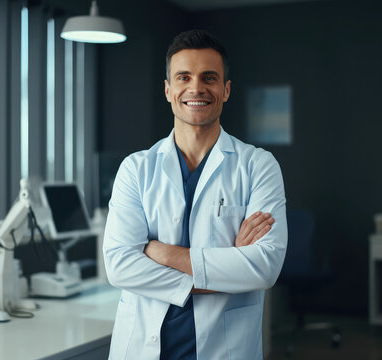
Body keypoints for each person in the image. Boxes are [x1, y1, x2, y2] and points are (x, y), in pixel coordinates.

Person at [103, 29, 287, 360]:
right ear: (168, 89)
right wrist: (228, 267)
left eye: (209, 78)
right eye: (184, 77)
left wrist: (160, 252)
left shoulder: (259, 166)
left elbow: (264, 267)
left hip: (224, 349)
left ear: (226, 90)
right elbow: (119, 265)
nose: (196, 88)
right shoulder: (136, 168)